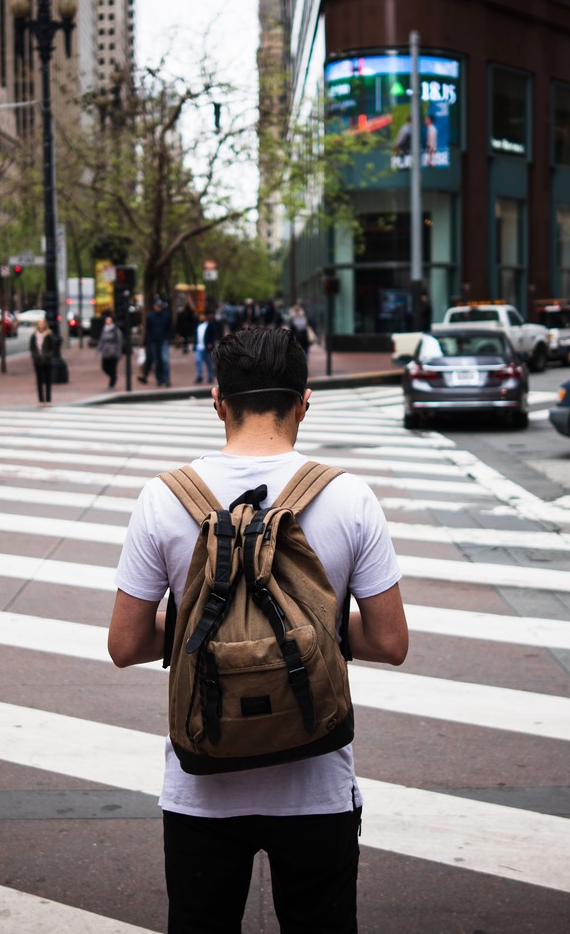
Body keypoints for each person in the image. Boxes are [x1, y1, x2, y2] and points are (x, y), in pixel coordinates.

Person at [107, 327, 409, 933]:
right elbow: (388, 642)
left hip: (201, 782)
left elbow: (127, 644)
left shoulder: (162, 499)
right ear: (304, 402)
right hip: (316, 777)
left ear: (218, 401)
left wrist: (203, 631)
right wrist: (312, 630)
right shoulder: (349, 497)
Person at [29, 316, 60, 405]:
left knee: (47, 380)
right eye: (39, 324)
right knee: (39, 381)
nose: (41, 325)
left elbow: (53, 347)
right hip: (37, 361)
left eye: (42, 324)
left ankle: (48, 400)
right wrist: (36, 356)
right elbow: (32, 348)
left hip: (47, 360)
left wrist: (47, 356)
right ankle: (41, 400)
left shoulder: (49, 335)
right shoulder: (34, 336)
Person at [141, 298, 173, 387]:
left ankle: (166, 379)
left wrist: (167, 337)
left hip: (163, 340)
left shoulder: (166, 315)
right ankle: (160, 379)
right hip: (154, 341)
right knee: (157, 361)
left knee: (164, 360)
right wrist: (147, 341)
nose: (158, 308)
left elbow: (169, 328)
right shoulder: (150, 316)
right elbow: (148, 329)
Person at [96, 313, 123, 389]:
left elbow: (119, 342)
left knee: (113, 368)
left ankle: (112, 383)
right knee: (104, 367)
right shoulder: (104, 329)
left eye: (109, 320)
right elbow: (101, 340)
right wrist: (99, 349)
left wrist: (119, 352)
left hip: (113, 352)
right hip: (106, 352)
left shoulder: (116, 330)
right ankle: (114, 377)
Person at [192, 313, 215, 384]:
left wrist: (210, 343)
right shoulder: (198, 325)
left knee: (208, 362)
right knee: (198, 361)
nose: (201, 317)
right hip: (199, 346)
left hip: (206, 347)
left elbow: (212, 335)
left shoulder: (209, 325)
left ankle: (210, 377)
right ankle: (199, 376)